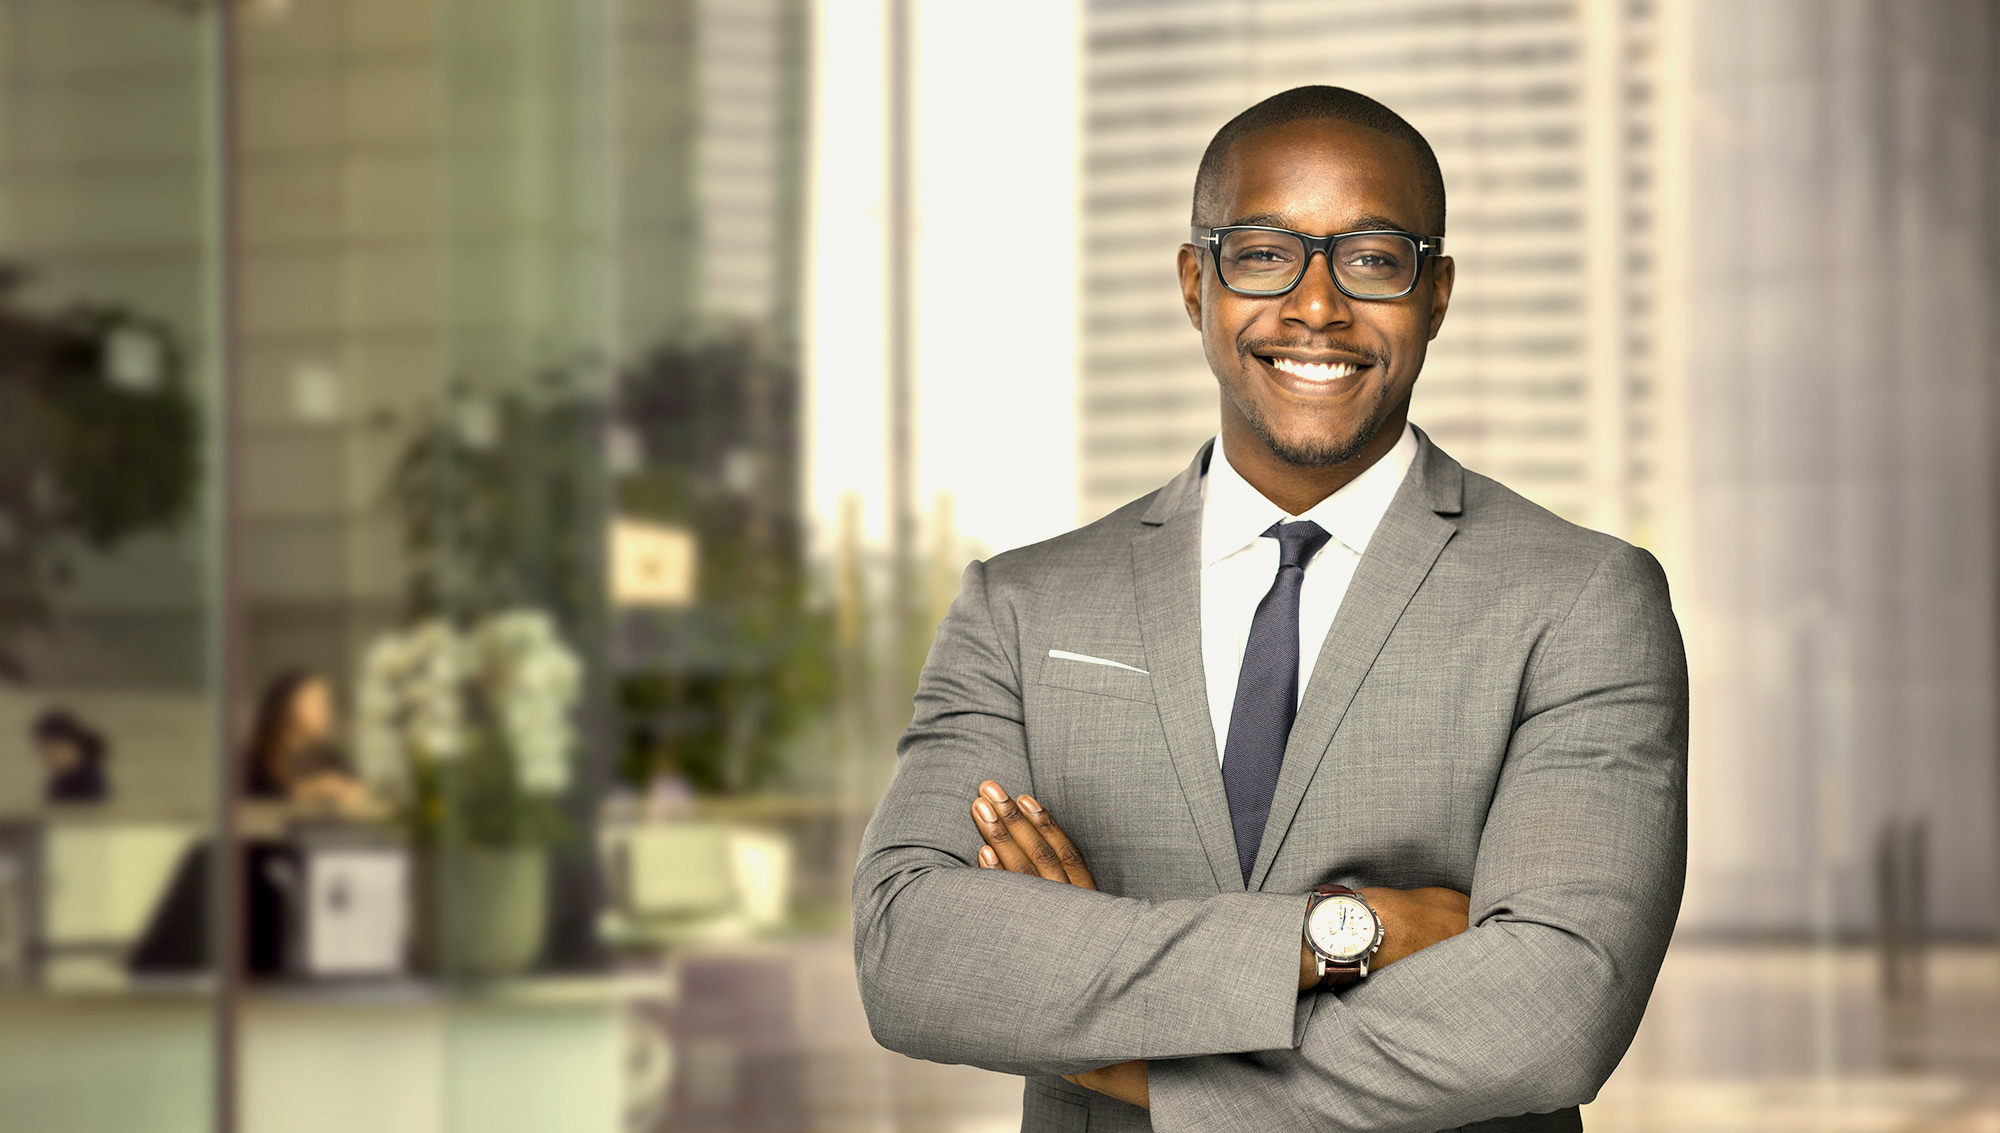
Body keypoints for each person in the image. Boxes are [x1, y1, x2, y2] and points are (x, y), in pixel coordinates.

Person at [851, 86, 1687, 1133]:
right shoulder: (1021, 604)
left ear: (1435, 294)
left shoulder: (1579, 598)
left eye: (1372, 258)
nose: (1316, 306)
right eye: (1262, 254)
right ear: (1194, 283)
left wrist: (1126, 1051)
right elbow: (908, 950)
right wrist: (1345, 930)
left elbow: (1553, 1005)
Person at [242, 669, 371, 813]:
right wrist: (313, 790)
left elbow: (358, 792)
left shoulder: (330, 759)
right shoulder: (254, 761)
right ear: (287, 705)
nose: (327, 711)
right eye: (317, 701)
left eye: (328, 702)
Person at [32, 709, 109, 803]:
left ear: (72, 744)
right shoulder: (62, 777)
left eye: (52, 748)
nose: (48, 756)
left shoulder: (90, 780)